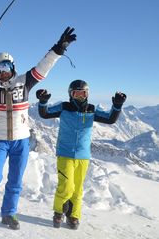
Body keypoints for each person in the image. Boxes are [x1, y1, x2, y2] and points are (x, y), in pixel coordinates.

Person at [0, 22, 77, 230]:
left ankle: (9, 214)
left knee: (15, 180)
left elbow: (43, 66)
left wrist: (59, 49)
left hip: (21, 140)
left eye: (5, 67)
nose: (2, 72)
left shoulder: (25, 81)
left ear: (12, 67)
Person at [36, 80, 126, 230]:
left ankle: (73, 216)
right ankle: (58, 212)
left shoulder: (91, 110)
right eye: (76, 93)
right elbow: (44, 114)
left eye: (82, 93)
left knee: (77, 189)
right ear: (70, 94)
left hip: (83, 156)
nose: (79, 97)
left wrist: (117, 105)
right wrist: (43, 101)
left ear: (87, 94)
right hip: (65, 154)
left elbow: (110, 119)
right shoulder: (64, 107)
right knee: (66, 186)